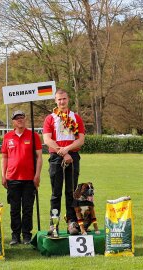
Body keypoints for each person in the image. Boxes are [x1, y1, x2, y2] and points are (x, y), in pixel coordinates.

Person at [42, 89, 85, 236]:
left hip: (73, 156)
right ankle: (54, 224)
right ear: (55, 101)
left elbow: (81, 139)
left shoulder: (76, 118)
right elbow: (47, 139)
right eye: (59, 99)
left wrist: (67, 150)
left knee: (71, 192)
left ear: (68, 99)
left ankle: (71, 222)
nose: (62, 102)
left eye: (64, 99)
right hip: (56, 158)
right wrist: (63, 152)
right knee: (56, 193)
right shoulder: (50, 118)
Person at [1, 110, 42, 245]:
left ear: (25, 119)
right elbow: (4, 157)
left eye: (22, 117)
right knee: (14, 209)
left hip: (29, 179)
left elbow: (39, 157)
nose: (19, 120)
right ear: (13, 121)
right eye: (16, 118)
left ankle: (26, 235)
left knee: (27, 209)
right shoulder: (7, 137)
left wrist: (37, 175)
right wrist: (3, 175)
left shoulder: (33, 135)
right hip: (12, 178)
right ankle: (15, 236)